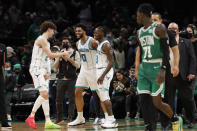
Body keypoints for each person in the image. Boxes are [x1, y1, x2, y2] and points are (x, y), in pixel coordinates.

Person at [135, 3, 182, 130]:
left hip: (157, 67)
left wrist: (163, 69)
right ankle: (149, 127)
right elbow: (141, 52)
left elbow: (166, 51)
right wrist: (138, 68)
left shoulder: (159, 28)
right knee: (143, 100)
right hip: (145, 68)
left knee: (157, 102)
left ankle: (174, 118)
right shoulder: (139, 32)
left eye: (137, 15)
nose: (136, 18)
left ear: (142, 15)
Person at [25, 21, 70, 129]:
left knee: (45, 96)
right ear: (49, 29)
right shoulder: (41, 40)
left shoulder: (47, 42)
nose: (53, 33)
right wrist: (63, 53)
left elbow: (46, 58)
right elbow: (50, 55)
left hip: (43, 70)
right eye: (53, 31)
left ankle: (48, 121)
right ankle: (31, 116)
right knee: (44, 94)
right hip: (36, 69)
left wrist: (49, 71)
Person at [68, 24, 109, 127]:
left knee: (100, 94)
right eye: (76, 31)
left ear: (84, 31)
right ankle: (80, 117)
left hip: (94, 70)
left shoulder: (92, 42)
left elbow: (103, 52)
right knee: (77, 92)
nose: (77, 33)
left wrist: (103, 67)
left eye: (79, 31)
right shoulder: (77, 44)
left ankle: (107, 117)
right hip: (84, 70)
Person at [151, 12, 180, 130]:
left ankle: (168, 122)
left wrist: (176, 66)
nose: (153, 22)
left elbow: (175, 51)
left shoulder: (168, 33)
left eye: (156, 20)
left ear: (161, 21)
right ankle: (159, 123)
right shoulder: (147, 33)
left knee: (168, 96)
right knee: (156, 98)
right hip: (151, 68)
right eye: (151, 20)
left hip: (165, 67)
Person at [166, 22, 196, 129]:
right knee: (169, 100)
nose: (173, 30)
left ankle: (191, 119)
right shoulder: (164, 42)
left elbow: (192, 58)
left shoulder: (186, 42)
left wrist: (192, 72)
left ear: (178, 30)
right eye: (170, 28)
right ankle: (170, 121)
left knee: (187, 99)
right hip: (168, 75)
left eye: (175, 28)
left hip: (183, 74)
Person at [94, 26, 118, 128]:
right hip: (100, 71)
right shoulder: (99, 44)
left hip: (105, 72)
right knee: (102, 97)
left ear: (103, 33)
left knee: (105, 96)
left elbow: (112, 62)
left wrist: (102, 75)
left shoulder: (106, 45)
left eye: (97, 32)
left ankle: (112, 120)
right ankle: (108, 118)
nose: (95, 34)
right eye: (94, 32)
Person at [54, 37, 80, 124]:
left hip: (72, 79)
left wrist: (68, 58)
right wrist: (58, 57)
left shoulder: (75, 52)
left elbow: (78, 65)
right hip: (61, 78)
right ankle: (59, 117)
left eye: (67, 42)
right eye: (63, 42)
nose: (65, 43)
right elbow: (55, 68)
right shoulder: (59, 53)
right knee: (58, 99)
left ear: (70, 43)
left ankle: (70, 117)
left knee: (72, 99)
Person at [0, 43, 12, 129]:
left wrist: (3, 77)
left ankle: (4, 122)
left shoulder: (2, 46)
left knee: (1, 98)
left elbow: (4, 63)